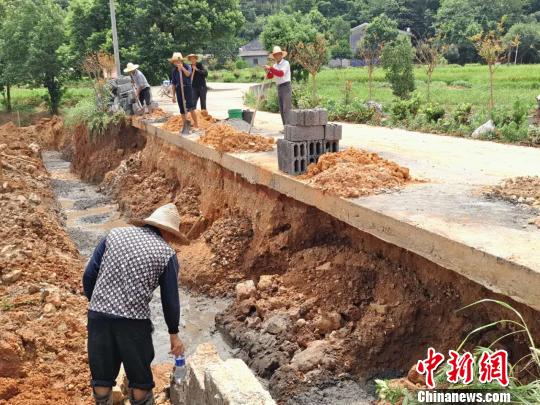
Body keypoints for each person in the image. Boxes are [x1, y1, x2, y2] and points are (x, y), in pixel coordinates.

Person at [83, 203, 188, 405]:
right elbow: (170, 299)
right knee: (140, 380)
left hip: (98, 317)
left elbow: (89, 276)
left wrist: (97, 303)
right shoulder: (166, 254)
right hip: (133, 323)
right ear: (168, 233)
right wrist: (173, 334)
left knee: (102, 375)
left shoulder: (114, 235)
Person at [169, 52, 199, 129]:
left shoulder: (187, 66)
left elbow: (188, 74)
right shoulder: (174, 71)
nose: (176, 63)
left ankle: (196, 124)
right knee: (182, 108)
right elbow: (173, 83)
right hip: (179, 89)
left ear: (181, 61)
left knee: (190, 107)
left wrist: (182, 68)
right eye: (175, 62)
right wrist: (173, 96)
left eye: (177, 61)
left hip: (187, 88)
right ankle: (185, 125)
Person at [264, 46, 292, 126]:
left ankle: (288, 127)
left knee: (286, 108)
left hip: (286, 87)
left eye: (278, 54)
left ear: (281, 54)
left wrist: (270, 68)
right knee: (281, 108)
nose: (277, 56)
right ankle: (285, 127)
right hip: (279, 87)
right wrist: (268, 71)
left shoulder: (285, 63)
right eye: (275, 55)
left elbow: (280, 74)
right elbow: (270, 76)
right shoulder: (275, 65)